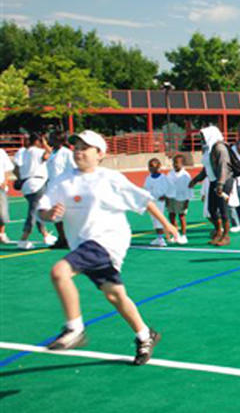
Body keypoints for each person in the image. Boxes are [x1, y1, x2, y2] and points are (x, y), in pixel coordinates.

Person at [37, 130, 178, 365]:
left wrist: (168, 225)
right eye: (77, 147)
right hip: (82, 245)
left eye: (85, 147)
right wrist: (49, 214)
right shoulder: (63, 180)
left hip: (107, 242)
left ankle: (74, 328)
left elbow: (144, 200)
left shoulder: (109, 178)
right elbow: (43, 209)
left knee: (59, 271)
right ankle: (145, 335)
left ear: (100, 153)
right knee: (115, 295)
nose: (79, 151)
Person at [188, 125, 235, 246]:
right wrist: (197, 179)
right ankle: (218, 232)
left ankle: (226, 236)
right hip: (214, 180)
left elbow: (224, 167)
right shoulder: (208, 148)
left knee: (223, 208)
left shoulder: (220, 148)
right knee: (212, 209)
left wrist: (220, 184)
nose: (202, 139)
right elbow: (207, 168)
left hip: (224, 181)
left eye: (203, 136)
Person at [16, 132, 56, 250]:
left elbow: (16, 167)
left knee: (38, 209)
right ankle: (24, 238)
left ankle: (45, 235)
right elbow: (51, 154)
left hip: (26, 184)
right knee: (33, 212)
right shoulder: (39, 152)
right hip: (37, 183)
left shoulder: (23, 152)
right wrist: (45, 145)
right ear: (38, 142)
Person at [46, 130, 77, 249]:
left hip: (64, 187)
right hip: (52, 187)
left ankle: (70, 238)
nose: (50, 141)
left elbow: (73, 169)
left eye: (52, 138)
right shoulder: (53, 153)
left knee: (67, 215)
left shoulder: (67, 153)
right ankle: (62, 238)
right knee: (56, 214)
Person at [143, 158, 169, 247]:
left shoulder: (163, 178)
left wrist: (165, 196)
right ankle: (159, 238)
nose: (151, 168)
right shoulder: (148, 178)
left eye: (153, 166)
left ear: (159, 167)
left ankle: (161, 238)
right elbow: (146, 189)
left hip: (160, 201)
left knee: (158, 219)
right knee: (154, 220)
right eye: (150, 166)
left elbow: (168, 188)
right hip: (151, 201)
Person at [165, 154, 191, 244]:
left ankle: (184, 235)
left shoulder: (186, 175)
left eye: (177, 163)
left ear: (182, 164)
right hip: (171, 198)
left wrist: (187, 201)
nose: (175, 165)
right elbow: (167, 186)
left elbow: (189, 189)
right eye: (174, 163)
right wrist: (167, 199)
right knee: (171, 215)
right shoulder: (170, 174)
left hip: (181, 199)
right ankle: (175, 234)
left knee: (181, 216)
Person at [0, 148, 13, 244]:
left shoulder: (1, 152)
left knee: (2, 213)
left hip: (0, 187)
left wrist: (6, 181)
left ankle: (2, 234)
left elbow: (7, 168)